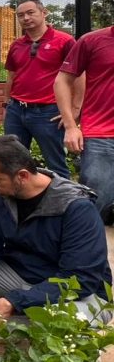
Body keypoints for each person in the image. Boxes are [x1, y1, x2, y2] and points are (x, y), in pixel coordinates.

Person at [0, 135, 112, 322]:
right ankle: (21, 313)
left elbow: (81, 278)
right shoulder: (0, 194)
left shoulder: (76, 207)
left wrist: (13, 301)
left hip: (80, 294)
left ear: (22, 176)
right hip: (22, 276)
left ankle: (23, 317)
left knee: (45, 326)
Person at [3, 0, 75, 179]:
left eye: (30, 12)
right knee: (12, 162)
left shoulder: (65, 41)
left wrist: (75, 109)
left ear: (44, 13)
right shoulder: (16, 45)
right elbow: (11, 76)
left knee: (55, 164)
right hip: (16, 110)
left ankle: (63, 205)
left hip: (48, 112)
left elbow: (79, 76)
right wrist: (6, 105)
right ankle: (20, 205)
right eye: (20, 15)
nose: (25, 18)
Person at [55, 23, 114, 223]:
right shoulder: (91, 41)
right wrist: (71, 126)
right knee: (91, 207)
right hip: (102, 137)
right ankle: (81, 252)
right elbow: (62, 80)